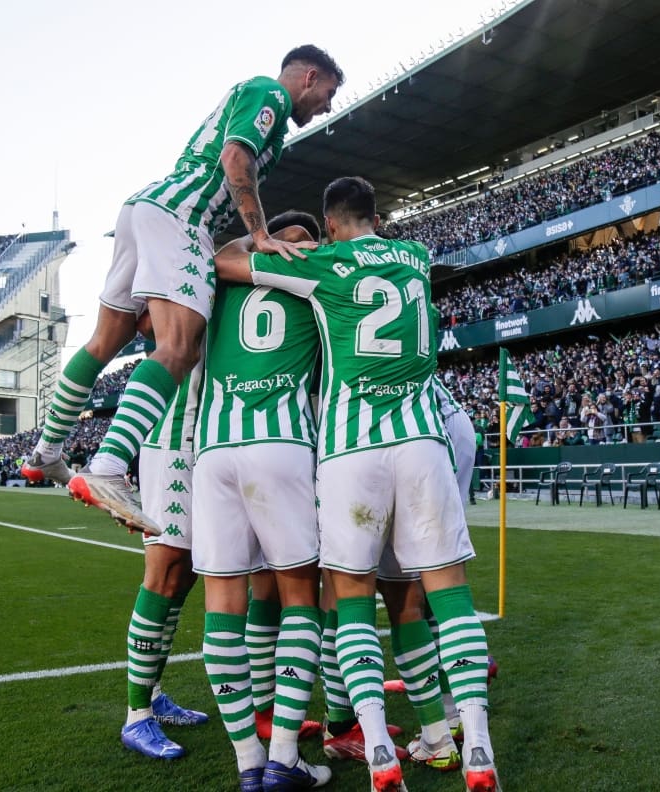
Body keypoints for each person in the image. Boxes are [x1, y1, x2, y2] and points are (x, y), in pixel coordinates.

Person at [214, 176, 499, 792]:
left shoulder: (326, 258)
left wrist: (266, 240)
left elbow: (227, 264)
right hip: (424, 440)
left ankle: (376, 750)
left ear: (333, 223)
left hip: (351, 449)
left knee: (350, 600)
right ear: (374, 215)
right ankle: (474, 746)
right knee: (448, 592)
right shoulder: (417, 257)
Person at [30, 45, 344, 534]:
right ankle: (109, 467)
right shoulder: (270, 96)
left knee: (103, 342)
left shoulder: (264, 113)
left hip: (146, 208)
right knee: (180, 348)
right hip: (181, 217)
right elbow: (235, 156)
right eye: (328, 93)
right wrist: (260, 234)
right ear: (309, 77)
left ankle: (46, 453)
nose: (327, 105)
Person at [193, 211, 329, 790]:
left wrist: (257, 239)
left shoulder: (223, 273)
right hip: (281, 443)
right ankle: (282, 757)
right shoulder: (318, 272)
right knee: (301, 595)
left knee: (223, 601)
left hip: (215, 448)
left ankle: (248, 762)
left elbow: (219, 252)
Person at [118, 362, 209, 762]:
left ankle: (152, 696)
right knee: (164, 574)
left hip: (214, 437)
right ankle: (136, 715)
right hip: (176, 440)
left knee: (184, 578)